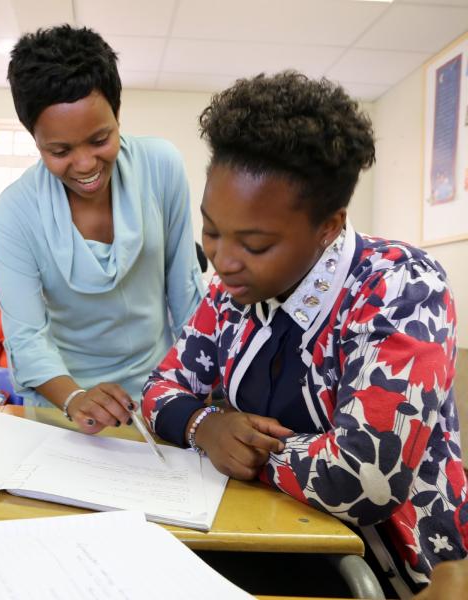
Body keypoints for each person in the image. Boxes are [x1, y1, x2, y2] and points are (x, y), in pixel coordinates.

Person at [142, 72, 467, 593]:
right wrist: (207, 426)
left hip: (393, 570)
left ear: (328, 227)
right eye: (211, 230)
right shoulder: (229, 294)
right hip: (269, 534)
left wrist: (239, 446)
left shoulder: (401, 288)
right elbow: (159, 391)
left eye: (255, 244)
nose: (223, 261)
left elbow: (362, 478)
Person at [0, 25, 204, 432]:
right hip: (63, 402)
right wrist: (75, 398)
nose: (86, 164)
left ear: (118, 114)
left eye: (99, 139)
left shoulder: (160, 166)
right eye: (60, 150)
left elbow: (185, 291)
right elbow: (27, 337)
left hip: (160, 393)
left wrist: (197, 389)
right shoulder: (15, 210)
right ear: (34, 139)